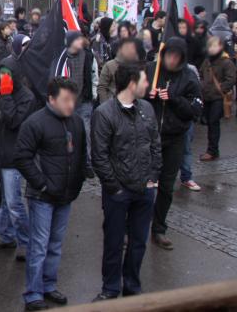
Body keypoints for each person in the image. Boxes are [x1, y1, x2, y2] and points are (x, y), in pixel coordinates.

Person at [16, 78, 88, 311]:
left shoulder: (76, 122)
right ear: (51, 99)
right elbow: (22, 157)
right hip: (42, 196)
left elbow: (80, 154)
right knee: (38, 245)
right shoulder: (35, 123)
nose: (70, 105)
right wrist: (42, 184)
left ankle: (48, 284)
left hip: (66, 195)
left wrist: (78, 181)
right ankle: (33, 293)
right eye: (65, 100)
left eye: (72, 100)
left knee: (55, 245)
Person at [91, 64, 161, 301]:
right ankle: (110, 288)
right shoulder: (104, 113)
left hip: (144, 190)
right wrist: (115, 188)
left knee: (138, 243)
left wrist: (152, 178)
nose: (147, 85)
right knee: (113, 243)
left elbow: (155, 145)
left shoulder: (147, 109)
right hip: (118, 193)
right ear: (132, 82)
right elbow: (99, 157)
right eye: (143, 80)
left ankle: (132, 286)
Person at [146, 37, 202, 250]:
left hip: (174, 138)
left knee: (167, 187)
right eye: (168, 55)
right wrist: (146, 95)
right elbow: (131, 95)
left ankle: (159, 229)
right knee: (142, 185)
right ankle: (131, 227)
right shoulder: (152, 69)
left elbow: (195, 111)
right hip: (149, 138)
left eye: (176, 56)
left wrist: (174, 98)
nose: (171, 60)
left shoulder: (189, 77)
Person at [0, 57, 36, 261]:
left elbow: (14, 120)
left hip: (13, 156)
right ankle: (6, 236)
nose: (3, 77)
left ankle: (25, 242)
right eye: (1, 74)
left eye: (7, 74)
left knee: (14, 203)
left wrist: (6, 96)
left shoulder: (26, 97)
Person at [49, 31, 97, 158]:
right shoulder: (61, 57)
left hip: (83, 100)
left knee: (85, 131)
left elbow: (92, 75)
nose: (80, 41)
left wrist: (93, 94)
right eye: (77, 39)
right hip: (66, 102)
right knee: (67, 132)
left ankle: (87, 161)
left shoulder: (87, 54)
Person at [199, 36, 236, 161]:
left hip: (218, 97)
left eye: (214, 46)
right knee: (209, 122)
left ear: (220, 47)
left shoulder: (226, 62)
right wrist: (202, 86)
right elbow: (201, 74)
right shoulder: (207, 61)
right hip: (207, 96)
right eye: (210, 46)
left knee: (213, 122)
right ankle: (212, 149)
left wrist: (220, 89)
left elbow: (231, 79)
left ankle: (212, 150)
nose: (211, 49)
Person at [97, 38, 140, 104]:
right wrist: (105, 104)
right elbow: (102, 87)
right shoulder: (109, 65)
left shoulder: (134, 65)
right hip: (112, 102)